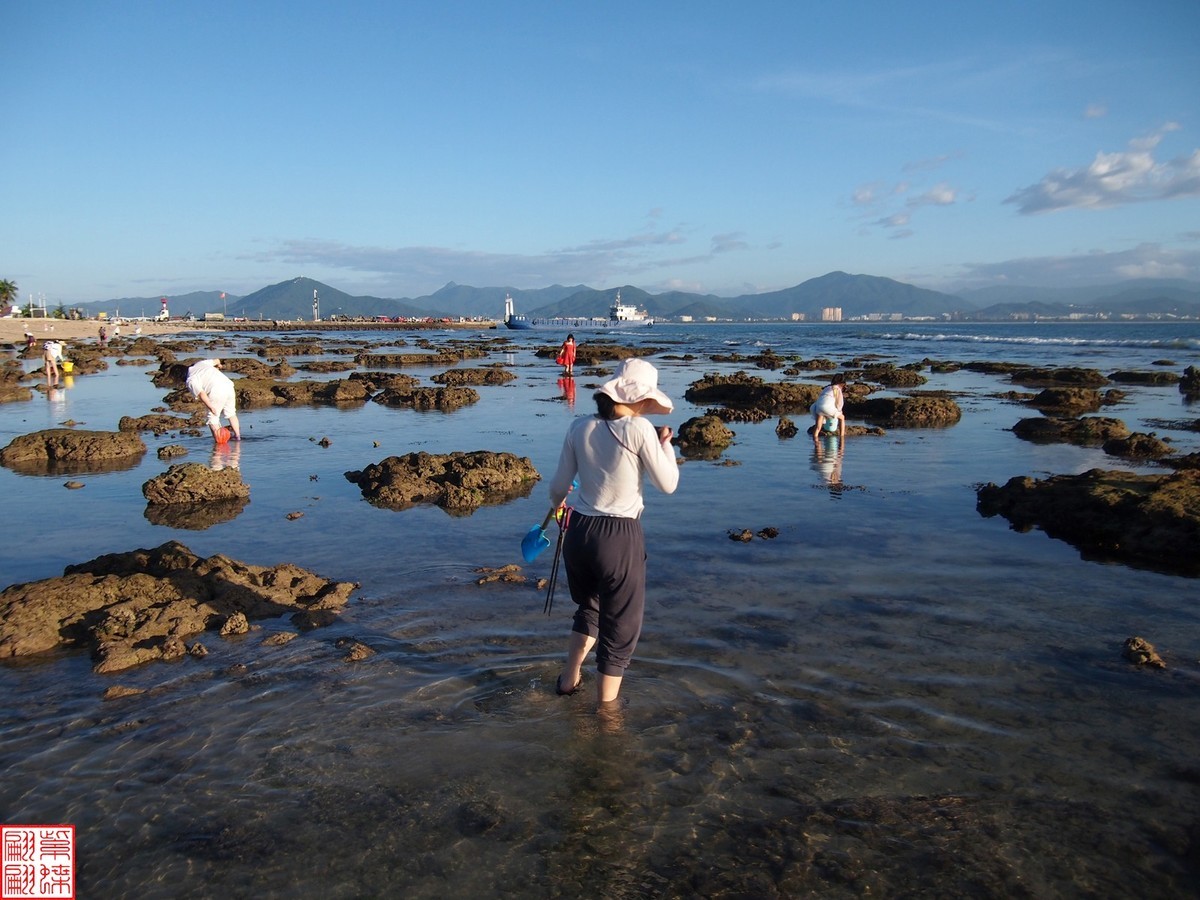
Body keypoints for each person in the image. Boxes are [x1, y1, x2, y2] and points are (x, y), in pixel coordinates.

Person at [548, 358, 680, 707]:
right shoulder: (638, 429)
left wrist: (560, 509)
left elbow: (558, 487)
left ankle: (567, 680)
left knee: (589, 608)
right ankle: (606, 714)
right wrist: (665, 444)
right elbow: (668, 484)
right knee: (620, 627)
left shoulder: (579, 427)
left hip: (578, 531)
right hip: (618, 536)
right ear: (640, 399)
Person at [186, 358, 242, 442]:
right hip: (228, 385)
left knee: (212, 418)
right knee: (231, 413)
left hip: (216, 390)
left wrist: (211, 407)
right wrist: (219, 365)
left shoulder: (190, 379)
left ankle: (219, 444)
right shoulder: (201, 363)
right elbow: (217, 360)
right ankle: (238, 437)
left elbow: (201, 394)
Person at [811, 372, 847, 442]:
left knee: (818, 426)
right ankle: (842, 437)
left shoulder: (827, 388)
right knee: (842, 418)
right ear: (842, 383)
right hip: (826, 407)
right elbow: (839, 403)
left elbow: (823, 398)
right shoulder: (837, 389)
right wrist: (839, 411)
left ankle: (815, 440)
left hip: (817, 406)